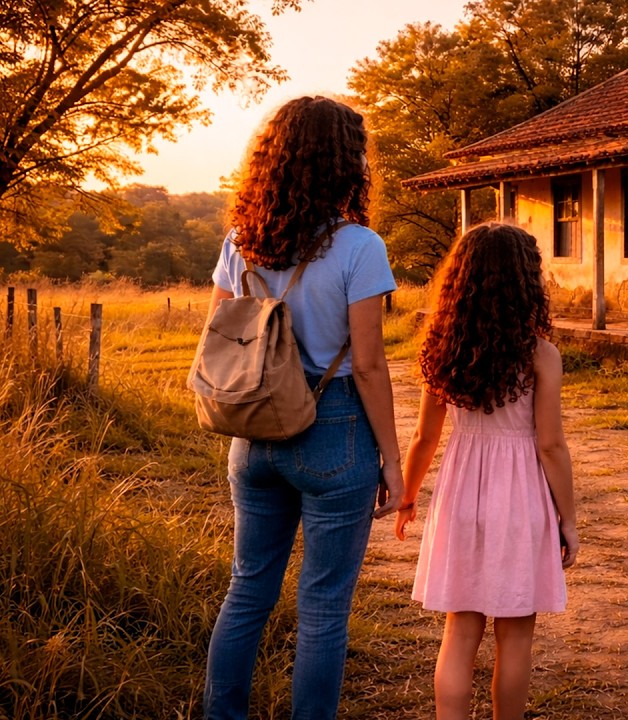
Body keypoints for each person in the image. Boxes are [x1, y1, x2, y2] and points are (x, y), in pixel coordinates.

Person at [202, 95, 405, 720]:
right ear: (345, 162)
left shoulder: (241, 240)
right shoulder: (360, 246)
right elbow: (368, 366)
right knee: (323, 608)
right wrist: (393, 462)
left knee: (246, 590)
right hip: (332, 426)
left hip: (253, 431)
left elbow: (219, 330)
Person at [395, 222, 579, 720]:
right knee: (515, 635)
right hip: (521, 500)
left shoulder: (443, 347)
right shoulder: (541, 355)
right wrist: (568, 520)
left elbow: (424, 437)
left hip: (461, 495)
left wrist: (407, 496)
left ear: (461, 279)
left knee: (460, 631)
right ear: (527, 280)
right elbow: (551, 444)